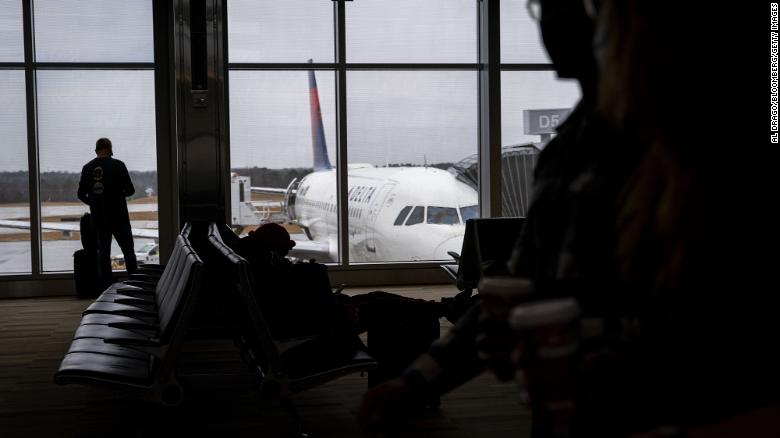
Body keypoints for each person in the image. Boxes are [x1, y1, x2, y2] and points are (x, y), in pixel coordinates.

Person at [77, 137, 137, 288]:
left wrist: (94, 202)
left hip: (99, 218)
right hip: (119, 216)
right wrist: (116, 196)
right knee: (128, 251)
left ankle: (106, 287)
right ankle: (136, 284)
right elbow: (130, 190)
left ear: (96, 150)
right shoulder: (118, 165)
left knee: (103, 253)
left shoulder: (87, 168)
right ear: (110, 150)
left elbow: (80, 194)